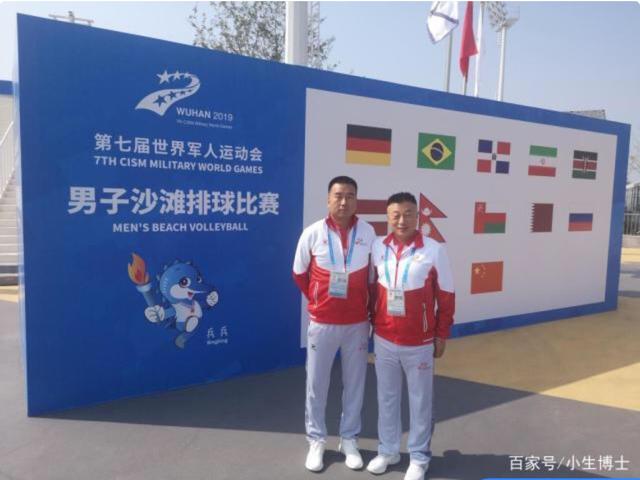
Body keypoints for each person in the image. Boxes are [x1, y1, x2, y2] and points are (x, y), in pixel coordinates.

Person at [366, 192, 455, 480]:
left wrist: (441, 334)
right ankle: (388, 450)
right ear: (388, 217)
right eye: (396, 215)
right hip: (384, 338)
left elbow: (446, 296)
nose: (401, 220)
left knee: (420, 401)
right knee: (386, 398)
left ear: (417, 217)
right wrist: (373, 323)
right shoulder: (378, 246)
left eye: (408, 214)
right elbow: (372, 289)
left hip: (419, 342)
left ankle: (419, 457)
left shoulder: (434, 250)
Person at [292, 176, 376, 472]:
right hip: (322, 322)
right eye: (338, 196)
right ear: (328, 199)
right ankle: (316, 440)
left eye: (350, 196)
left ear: (356, 200)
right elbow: (299, 273)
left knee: (355, 383)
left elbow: (373, 278)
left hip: (357, 324)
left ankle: (349, 439)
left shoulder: (368, 232)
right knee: (317, 384)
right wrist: (319, 300)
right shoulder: (313, 232)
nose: (344, 202)